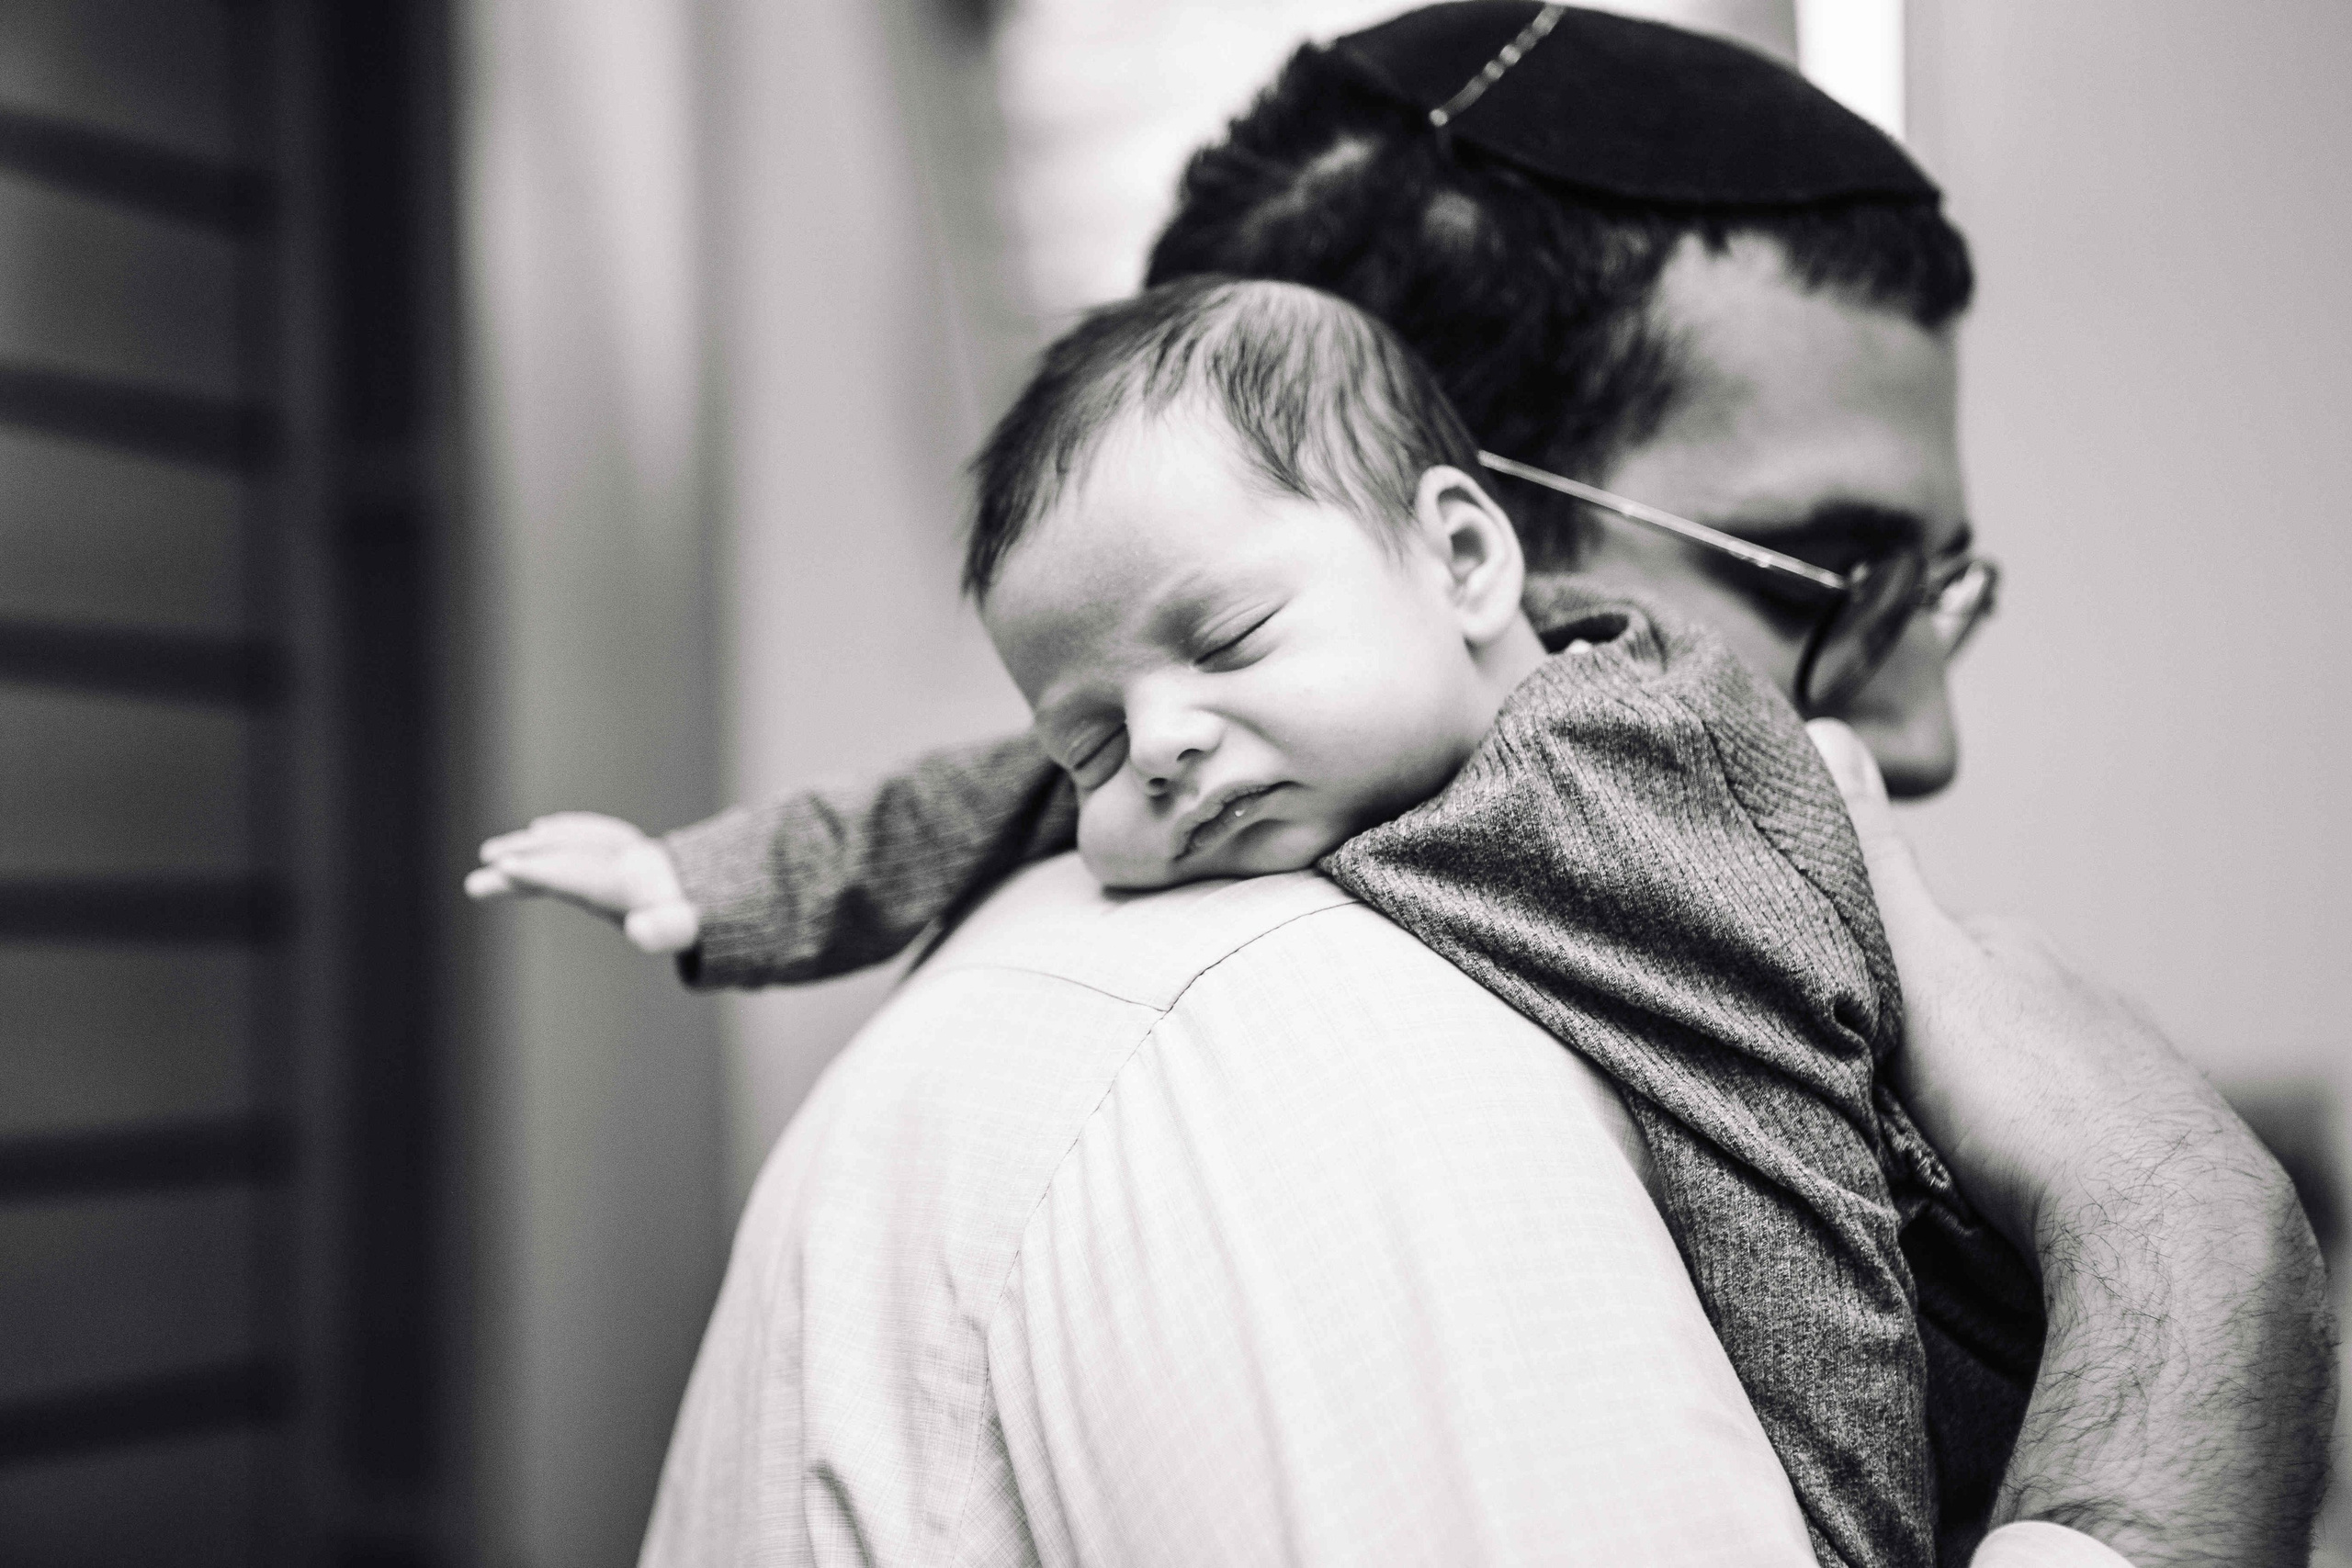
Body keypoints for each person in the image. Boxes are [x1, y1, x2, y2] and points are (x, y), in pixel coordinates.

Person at [475, 7, 2334, 1563]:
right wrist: (2188, 1264)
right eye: (1829, 579)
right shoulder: (1317, 1035)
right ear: (1468, 541)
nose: (1922, 732)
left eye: (1941, 597)